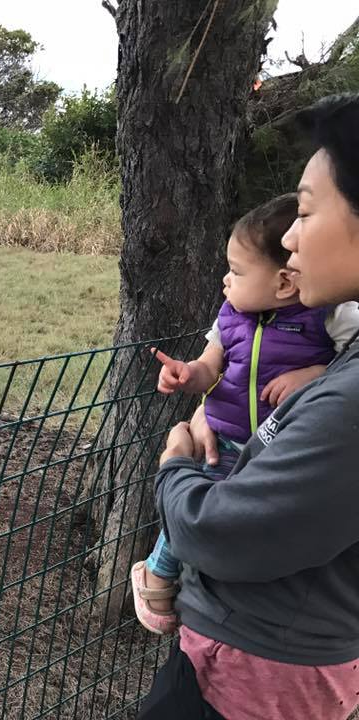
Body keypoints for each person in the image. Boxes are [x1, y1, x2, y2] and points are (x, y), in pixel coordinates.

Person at [139, 93, 359, 720]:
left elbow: (224, 531)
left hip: (256, 665)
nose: (291, 238)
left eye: (308, 212)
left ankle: (155, 582)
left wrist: (175, 463)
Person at [129, 193, 359, 635]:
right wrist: (186, 375)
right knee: (197, 507)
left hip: (278, 450)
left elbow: (352, 363)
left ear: (284, 283)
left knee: (236, 520)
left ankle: (183, 585)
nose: (225, 281)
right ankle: (160, 582)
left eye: (236, 272)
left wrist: (314, 373)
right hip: (229, 438)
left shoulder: (329, 315)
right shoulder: (230, 316)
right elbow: (209, 366)